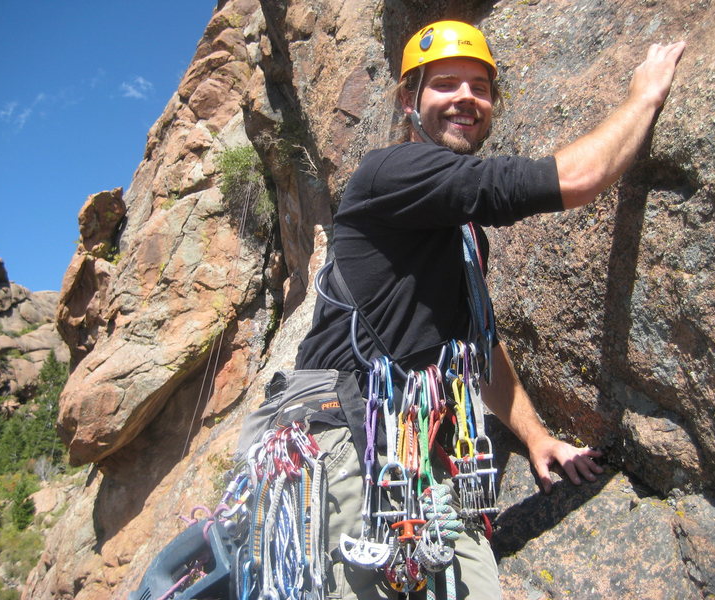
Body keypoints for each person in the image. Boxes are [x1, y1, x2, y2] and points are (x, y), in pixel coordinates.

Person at [289, 20, 686, 600]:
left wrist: (535, 436)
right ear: (408, 99)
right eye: (445, 84)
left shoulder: (459, 228)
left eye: (480, 86)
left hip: (421, 452)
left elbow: (478, 344)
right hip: (350, 434)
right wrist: (644, 96)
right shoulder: (392, 172)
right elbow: (577, 178)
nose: (465, 99)